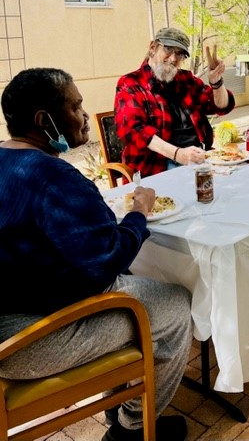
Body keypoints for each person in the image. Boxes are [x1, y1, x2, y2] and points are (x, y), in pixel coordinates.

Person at [0, 68, 193, 441]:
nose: (85, 115)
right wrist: (139, 211)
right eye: (75, 107)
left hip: (19, 318)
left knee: (136, 292)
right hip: (28, 342)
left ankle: (120, 413)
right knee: (174, 306)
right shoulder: (52, 176)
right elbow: (108, 260)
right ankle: (132, 430)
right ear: (44, 120)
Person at [114, 27, 236, 177]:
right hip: (157, 167)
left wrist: (216, 82)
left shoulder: (185, 79)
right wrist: (178, 154)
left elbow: (220, 106)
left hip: (199, 159)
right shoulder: (130, 83)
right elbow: (135, 131)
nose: (173, 58)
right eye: (168, 49)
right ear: (153, 47)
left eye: (179, 54)